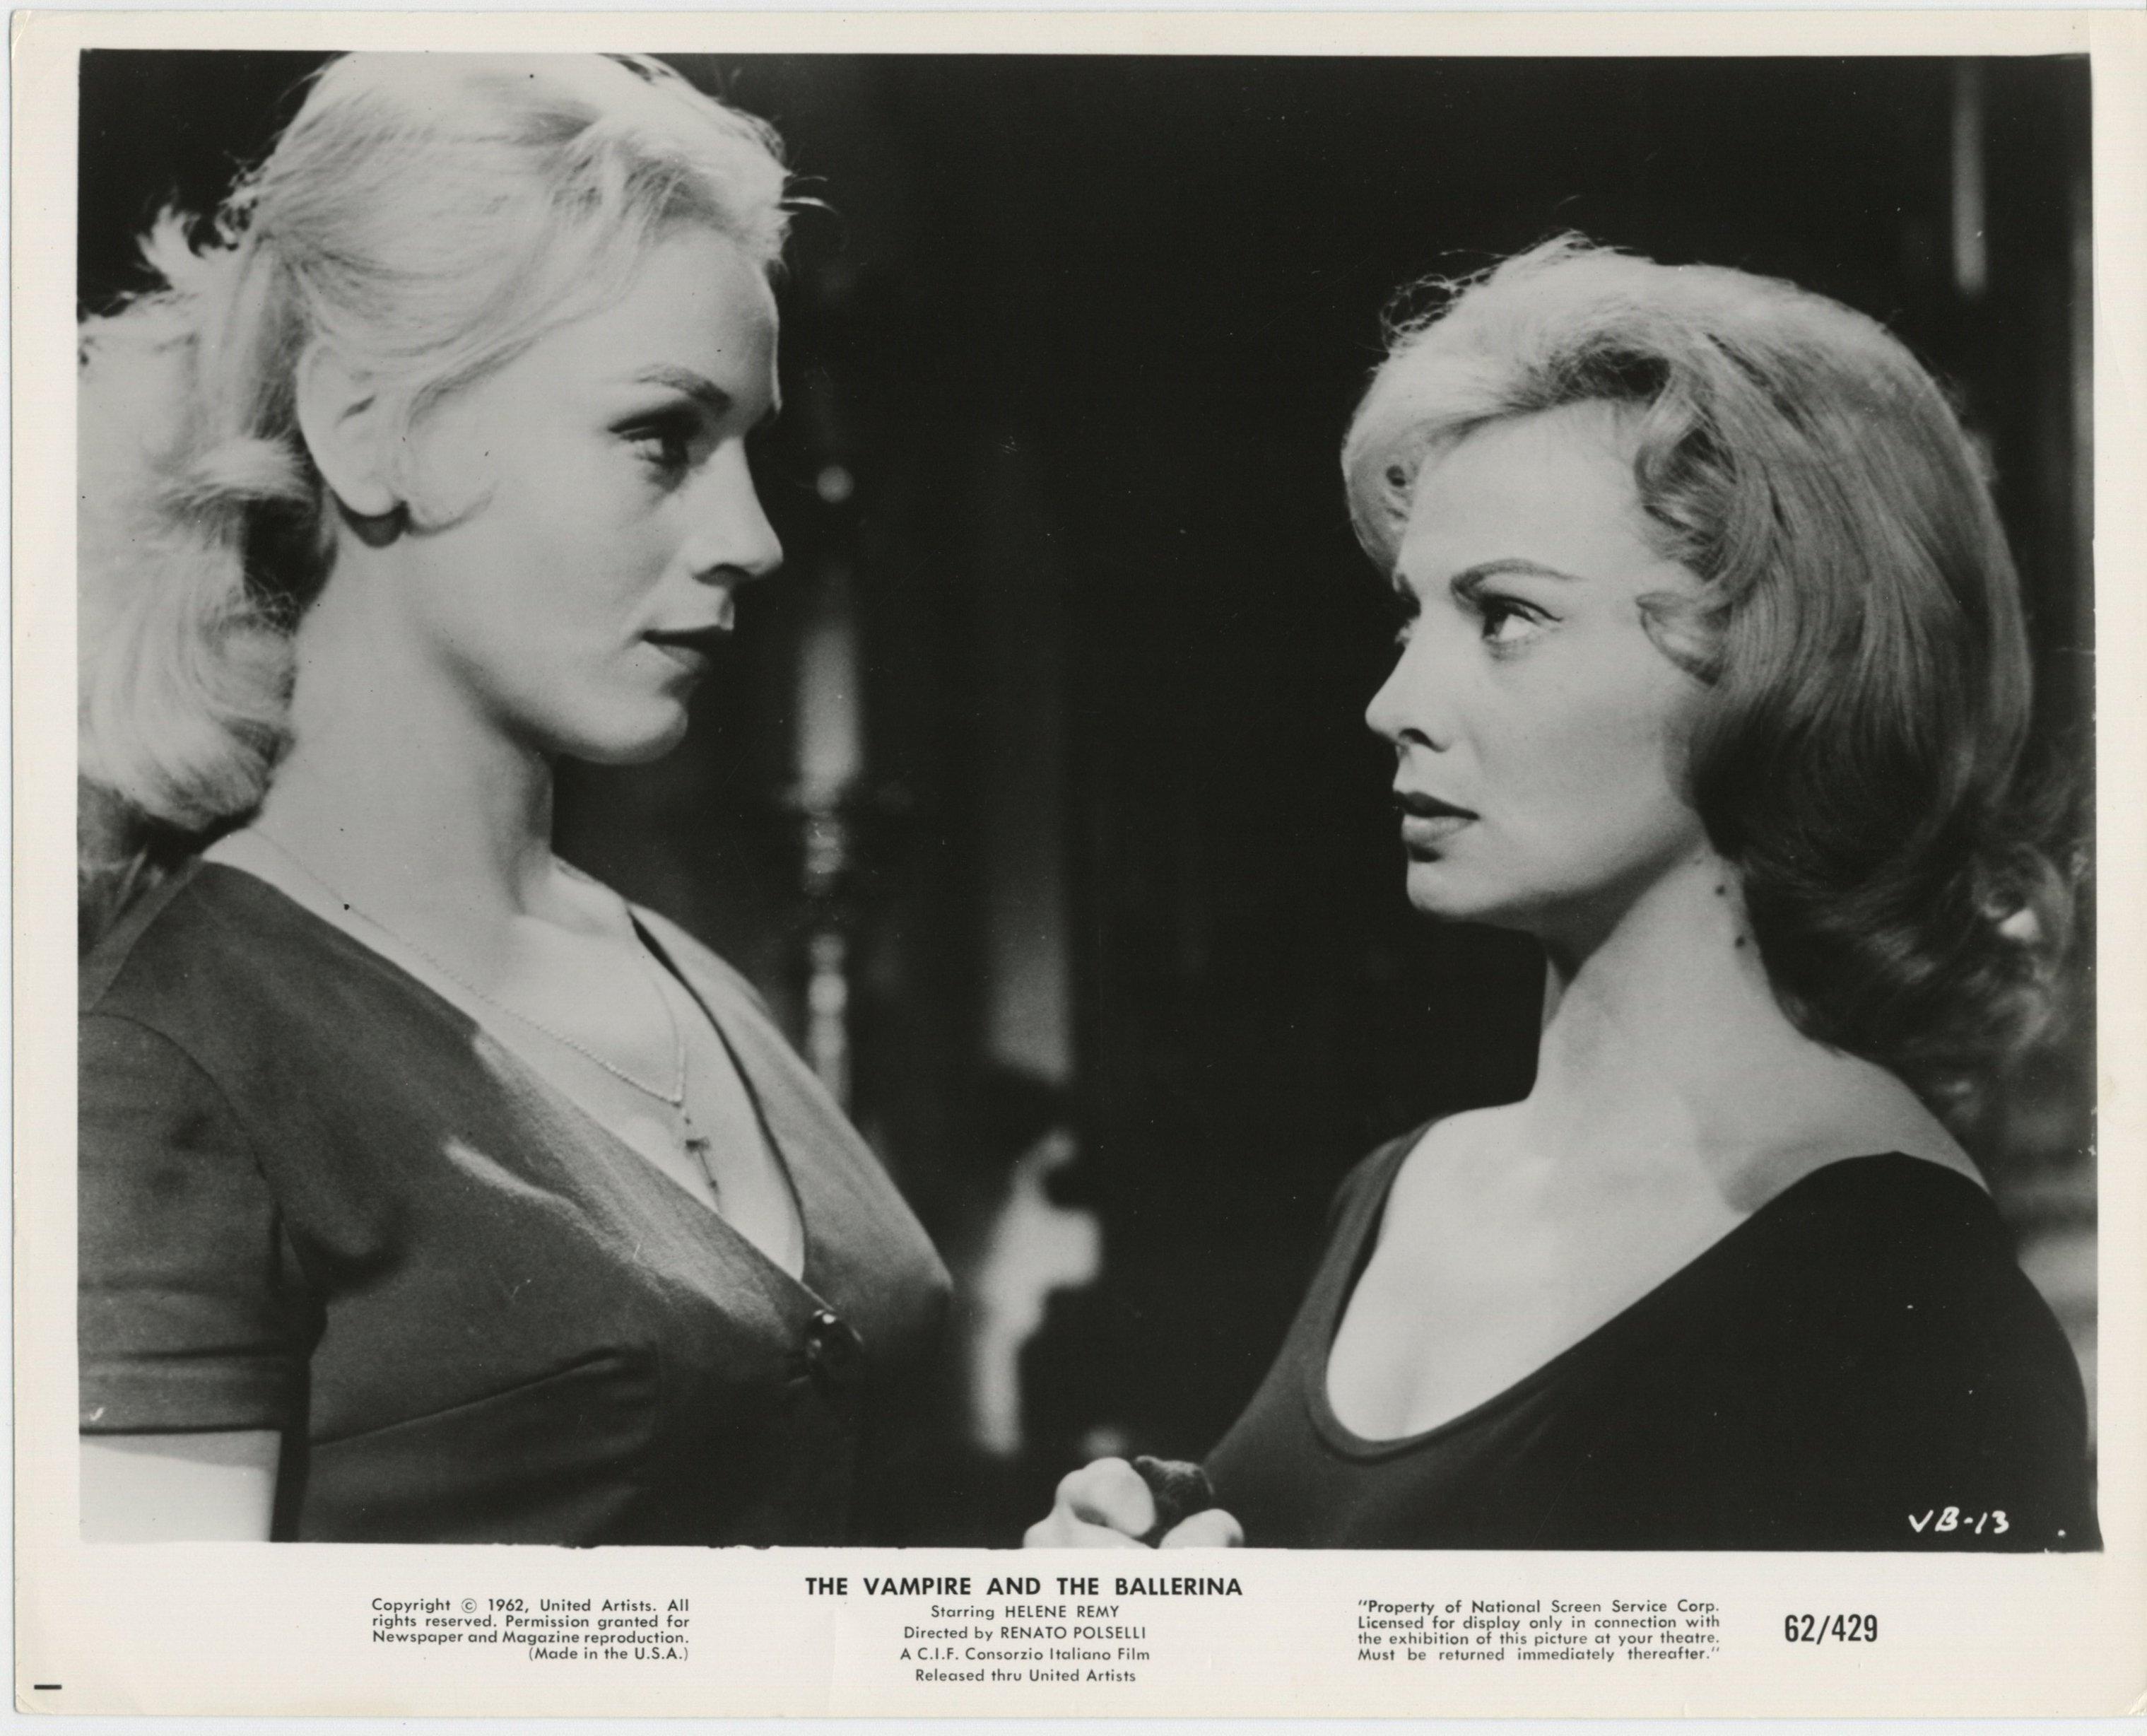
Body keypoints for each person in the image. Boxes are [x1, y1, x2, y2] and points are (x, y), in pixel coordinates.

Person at [1030, 237, 2098, 1552]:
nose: (1393, 703)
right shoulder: (1403, 1188)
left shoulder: (1889, 1290)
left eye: (1505, 617)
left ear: (1777, 658)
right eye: (1411, 619)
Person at [76, 52, 950, 1544]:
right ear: (370, 430)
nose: (751, 538)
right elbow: (150, 1662)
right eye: (660, 436)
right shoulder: (164, 1066)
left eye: (749, 448)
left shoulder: (690, 983)